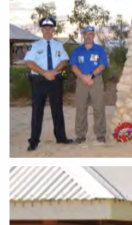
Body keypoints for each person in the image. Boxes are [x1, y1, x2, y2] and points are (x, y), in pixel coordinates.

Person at [24, 15, 72, 151]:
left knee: (57, 109)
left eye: (50, 28)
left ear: (53, 30)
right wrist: (45, 72)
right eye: (45, 28)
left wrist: (53, 71)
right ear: (41, 30)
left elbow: (64, 60)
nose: (48, 31)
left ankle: (61, 137)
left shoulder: (58, 45)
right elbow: (29, 63)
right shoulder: (34, 45)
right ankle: (34, 141)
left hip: (55, 81)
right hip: (39, 81)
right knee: (37, 111)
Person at [68, 23, 108, 144]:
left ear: (93, 36)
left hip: (95, 80)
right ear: (83, 36)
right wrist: (83, 77)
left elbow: (102, 65)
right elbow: (73, 66)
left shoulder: (99, 49)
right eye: (86, 34)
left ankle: (100, 134)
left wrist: (90, 75)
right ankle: (80, 135)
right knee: (81, 108)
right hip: (81, 80)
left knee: (99, 107)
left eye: (91, 34)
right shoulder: (77, 50)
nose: (88, 36)